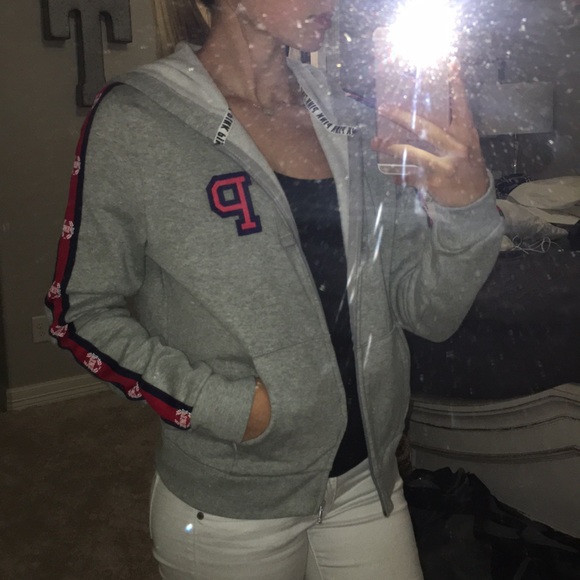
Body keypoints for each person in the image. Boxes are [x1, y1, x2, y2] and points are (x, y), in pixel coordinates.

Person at [45, 0, 504, 578]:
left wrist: (466, 209)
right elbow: (79, 312)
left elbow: (425, 311)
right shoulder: (137, 119)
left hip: (367, 483)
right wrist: (229, 408)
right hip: (233, 506)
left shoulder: (353, 120)